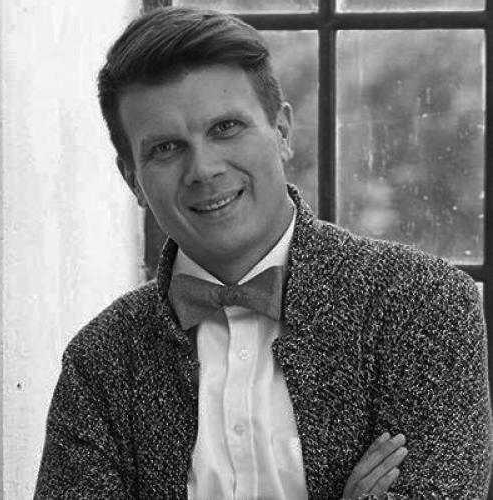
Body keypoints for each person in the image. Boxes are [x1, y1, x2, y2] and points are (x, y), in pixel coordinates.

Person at [34, 6, 492, 500]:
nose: (203, 169)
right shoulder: (97, 360)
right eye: (166, 148)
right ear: (133, 180)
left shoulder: (425, 304)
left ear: (283, 133)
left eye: (226, 127)